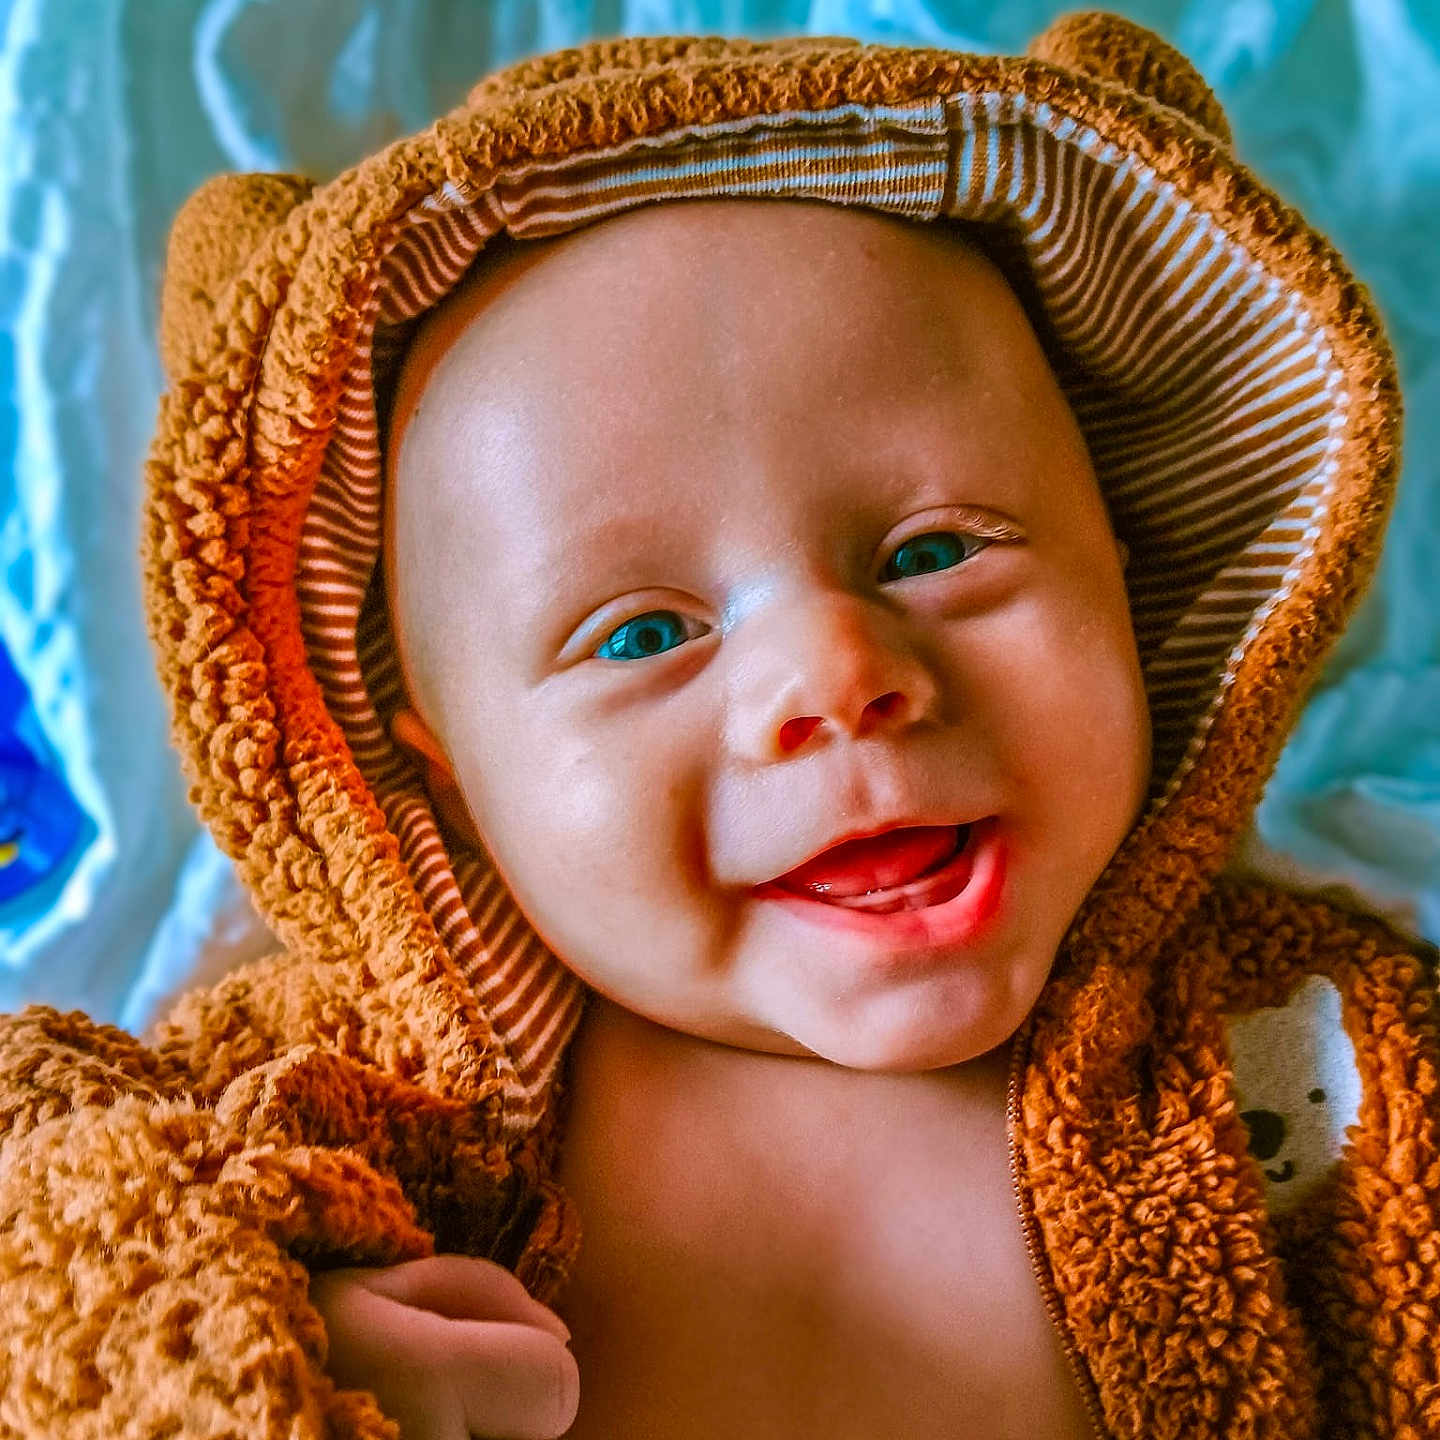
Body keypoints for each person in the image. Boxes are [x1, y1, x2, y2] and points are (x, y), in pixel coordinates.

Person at [0, 14, 1427, 1440]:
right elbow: (43, 1197)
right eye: (641, 636)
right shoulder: (348, 1099)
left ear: (1127, 560)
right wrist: (232, 1324)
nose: (835, 673)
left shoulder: (1315, 1057)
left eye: (937, 550)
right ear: (442, 759)